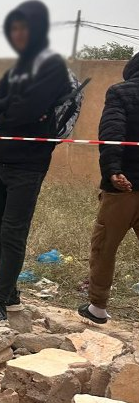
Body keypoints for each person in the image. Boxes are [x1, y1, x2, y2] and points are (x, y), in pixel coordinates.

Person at [0, 0, 73, 327]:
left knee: (13, 232)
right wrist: (11, 106)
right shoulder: (16, 70)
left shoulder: (52, 66)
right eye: (13, 28)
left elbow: (26, 111)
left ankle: (0, 301)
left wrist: (6, 109)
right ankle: (9, 292)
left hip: (28, 163)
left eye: (24, 27)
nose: (17, 34)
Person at [79, 53, 139, 324]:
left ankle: (98, 307)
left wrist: (113, 171)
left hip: (123, 188)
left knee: (104, 247)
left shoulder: (120, 92)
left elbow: (112, 133)